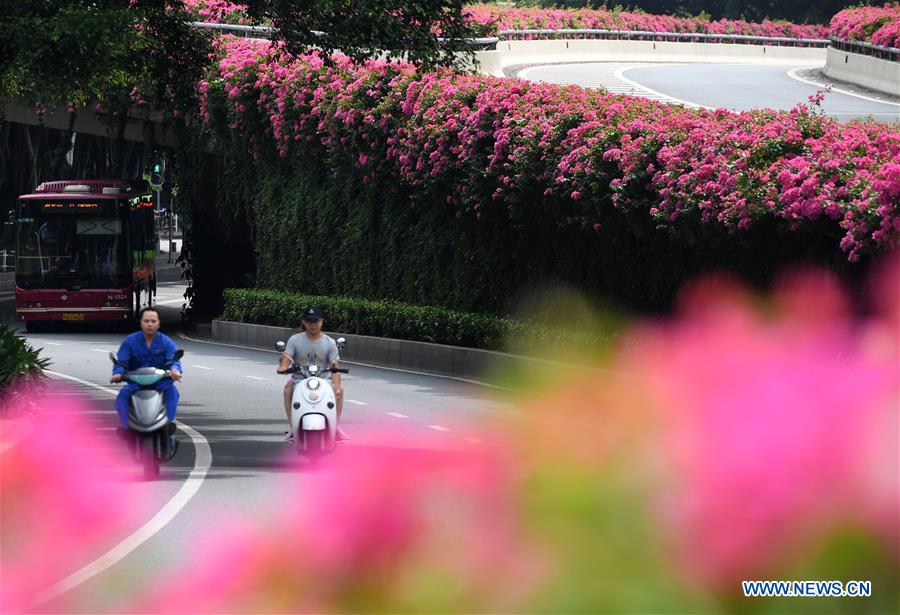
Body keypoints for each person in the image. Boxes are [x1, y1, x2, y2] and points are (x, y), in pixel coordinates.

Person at [111, 306, 182, 450]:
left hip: (161, 383)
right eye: (146, 321)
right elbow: (122, 362)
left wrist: (175, 371)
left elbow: (174, 361)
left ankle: (168, 423)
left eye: (153, 321)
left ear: (158, 324)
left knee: (173, 393)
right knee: (122, 396)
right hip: (136, 384)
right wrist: (118, 373)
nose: (150, 324)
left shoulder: (166, 342)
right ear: (141, 323)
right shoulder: (130, 342)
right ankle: (126, 427)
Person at [278, 307, 348, 441]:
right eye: (309, 321)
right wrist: (283, 366)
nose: (313, 324)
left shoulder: (330, 342)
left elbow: (334, 365)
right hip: (299, 379)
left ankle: (335, 426)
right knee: (288, 390)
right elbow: (287, 356)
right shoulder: (295, 340)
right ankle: (293, 427)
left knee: (339, 389)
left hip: (324, 381)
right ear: (304, 322)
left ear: (322, 322)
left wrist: (337, 387)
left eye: (316, 321)